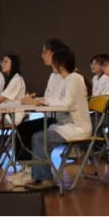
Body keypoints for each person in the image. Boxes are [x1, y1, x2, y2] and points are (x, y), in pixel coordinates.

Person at [12, 48, 92, 190]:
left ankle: (44, 179)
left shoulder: (75, 78)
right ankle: (38, 176)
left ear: (61, 64)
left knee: (39, 138)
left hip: (77, 127)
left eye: (54, 62)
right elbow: (55, 99)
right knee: (37, 136)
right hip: (66, 125)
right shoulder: (65, 80)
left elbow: (67, 104)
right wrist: (39, 101)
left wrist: (40, 102)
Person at [11, 38, 68, 170]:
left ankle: (32, 168)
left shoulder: (69, 76)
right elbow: (50, 98)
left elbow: (62, 102)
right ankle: (26, 167)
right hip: (53, 117)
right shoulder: (53, 76)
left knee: (30, 132)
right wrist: (36, 100)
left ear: (54, 53)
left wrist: (38, 102)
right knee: (22, 128)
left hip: (62, 121)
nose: (42, 56)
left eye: (44, 52)